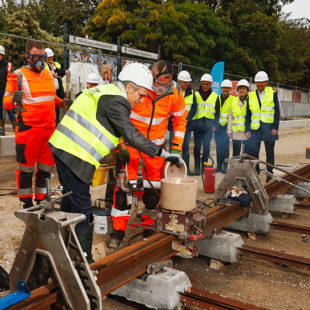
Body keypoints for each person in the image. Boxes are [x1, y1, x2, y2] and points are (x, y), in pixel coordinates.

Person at [48, 62, 181, 262]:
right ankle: (82, 262)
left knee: (70, 204)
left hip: (65, 149)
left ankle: (62, 250)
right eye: (141, 94)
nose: (142, 100)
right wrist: (163, 154)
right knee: (83, 210)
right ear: (129, 87)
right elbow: (132, 134)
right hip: (75, 154)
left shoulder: (107, 91)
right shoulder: (118, 101)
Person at [108, 60, 187, 249]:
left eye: (166, 84)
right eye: (159, 84)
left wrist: (176, 148)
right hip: (131, 148)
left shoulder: (175, 92)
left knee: (153, 193)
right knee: (123, 190)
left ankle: (148, 228)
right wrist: (121, 146)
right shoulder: (139, 88)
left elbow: (180, 121)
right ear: (152, 76)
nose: (161, 88)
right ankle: (117, 233)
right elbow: (117, 117)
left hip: (157, 152)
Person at [3, 40, 63, 209]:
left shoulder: (48, 73)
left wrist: (62, 102)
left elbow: (50, 97)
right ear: (28, 56)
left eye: (42, 57)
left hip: (49, 129)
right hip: (29, 129)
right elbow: (6, 101)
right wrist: (14, 100)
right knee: (26, 168)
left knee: (45, 168)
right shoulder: (18, 75)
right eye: (36, 57)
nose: (40, 61)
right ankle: (26, 200)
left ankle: (42, 197)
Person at [247, 71, 280, 182]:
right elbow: (248, 114)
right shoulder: (251, 95)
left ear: (266, 82)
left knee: (269, 153)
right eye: (258, 82)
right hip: (255, 128)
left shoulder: (273, 93)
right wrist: (247, 129)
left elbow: (277, 112)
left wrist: (275, 127)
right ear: (255, 83)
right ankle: (256, 172)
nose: (260, 84)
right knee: (254, 152)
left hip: (269, 128)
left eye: (262, 82)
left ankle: (269, 174)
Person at [192, 73, 218, 175]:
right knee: (197, 148)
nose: (205, 86)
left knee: (206, 148)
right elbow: (193, 109)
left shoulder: (215, 96)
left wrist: (215, 125)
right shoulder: (196, 94)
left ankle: (204, 167)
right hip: (198, 126)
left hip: (209, 126)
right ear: (201, 84)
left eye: (207, 84)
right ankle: (197, 168)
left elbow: (217, 112)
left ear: (210, 84)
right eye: (203, 84)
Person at [176, 70, 197, 175]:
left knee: (185, 147)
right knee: (174, 147)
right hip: (175, 125)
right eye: (185, 82)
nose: (187, 84)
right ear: (180, 81)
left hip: (186, 125)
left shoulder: (192, 93)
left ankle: (186, 169)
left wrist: (188, 119)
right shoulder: (173, 91)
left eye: (188, 82)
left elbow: (194, 108)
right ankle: (174, 170)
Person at [213, 79, 233, 173]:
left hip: (226, 127)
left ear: (230, 89)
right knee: (218, 147)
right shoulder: (217, 98)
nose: (225, 89)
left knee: (225, 147)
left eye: (227, 88)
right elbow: (214, 112)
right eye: (224, 87)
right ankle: (219, 166)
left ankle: (225, 166)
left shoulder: (233, 99)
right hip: (218, 127)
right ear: (221, 88)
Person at [227, 79, 251, 157]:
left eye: (244, 88)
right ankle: (235, 168)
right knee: (235, 153)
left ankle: (244, 168)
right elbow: (230, 116)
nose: (242, 90)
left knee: (246, 153)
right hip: (236, 131)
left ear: (247, 90)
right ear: (238, 90)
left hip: (246, 131)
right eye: (240, 88)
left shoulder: (250, 101)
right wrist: (229, 130)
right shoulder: (234, 101)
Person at [45, 48, 65, 124]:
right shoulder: (44, 65)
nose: (50, 58)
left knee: (58, 107)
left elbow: (62, 73)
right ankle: (52, 122)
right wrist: (54, 74)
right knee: (51, 107)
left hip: (59, 90)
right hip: (50, 90)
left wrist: (54, 68)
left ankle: (56, 122)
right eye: (49, 57)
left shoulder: (57, 64)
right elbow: (46, 75)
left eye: (51, 57)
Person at [0, 45, 16, 135]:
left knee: (9, 109)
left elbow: (13, 78)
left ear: (2, 55)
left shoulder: (8, 65)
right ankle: (1, 128)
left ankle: (15, 127)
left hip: (7, 91)